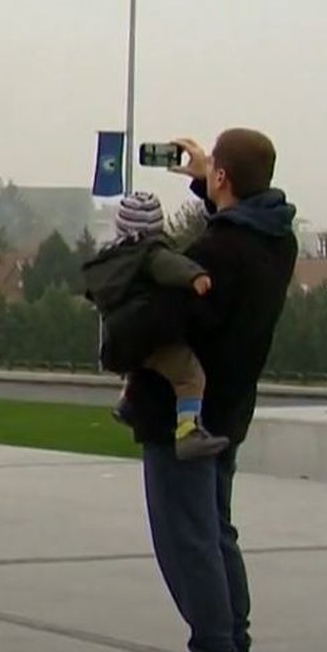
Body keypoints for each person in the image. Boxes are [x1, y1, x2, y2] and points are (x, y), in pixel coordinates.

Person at [123, 129, 297, 652]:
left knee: (188, 541)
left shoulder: (217, 252)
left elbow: (164, 320)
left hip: (182, 418)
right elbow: (241, 223)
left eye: (214, 169)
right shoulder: (278, 240)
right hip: (229, 408)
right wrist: (206, 181)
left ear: (224, 176)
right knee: (216, 534)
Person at [83, 191, 229, 459]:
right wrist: (196, 276)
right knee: (189, 376)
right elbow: (171, 265)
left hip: (122, 338)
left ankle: (127, 404)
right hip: (153, 337)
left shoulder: (112, 258)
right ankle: (187, 429)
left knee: (138, 365)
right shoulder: (150, 255)